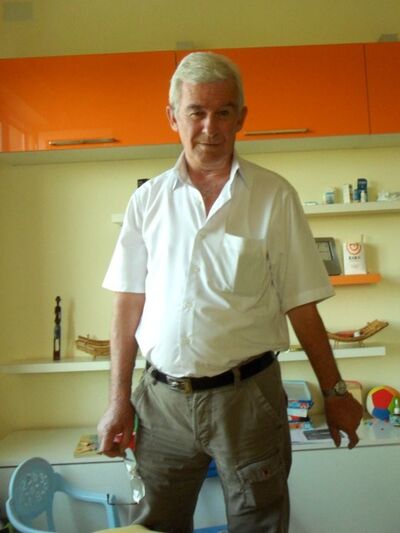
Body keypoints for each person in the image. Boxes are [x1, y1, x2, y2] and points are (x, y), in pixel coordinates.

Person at [98, 51, 363, 533]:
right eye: (196, 112)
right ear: (173, 117)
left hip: (248, 402)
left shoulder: (274, 196)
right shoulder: (147, 201)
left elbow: (301, 305)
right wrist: (118, 401)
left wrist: (336, 392)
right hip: (161, 405)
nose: (210, 127)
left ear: (241, 117)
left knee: (259, 523)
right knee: (154, 526)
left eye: (223, 112)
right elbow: (127, 305)